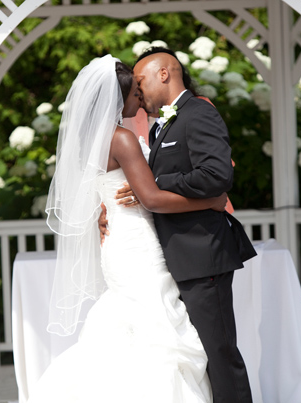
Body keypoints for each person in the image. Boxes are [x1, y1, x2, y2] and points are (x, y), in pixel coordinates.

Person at [30, 55, 228, 402]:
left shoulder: (91, 140)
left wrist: (98, 212)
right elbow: (150, 198)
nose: (140, 98)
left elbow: (99, 190)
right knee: (156, 332)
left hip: (118, 245)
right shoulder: (121, 138)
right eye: (135, 92)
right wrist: (210, 202)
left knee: (131, 330)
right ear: (118, 98)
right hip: (137, 245)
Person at [100, 47, 256, 403]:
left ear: (165, 74)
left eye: (140, 82)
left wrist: (152, 190)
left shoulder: (198, 112)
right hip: (173, 256)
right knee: (195, 355)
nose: (138, 93)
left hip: (202, 253)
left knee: (219, 354)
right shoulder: (162, 124)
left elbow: (217, 174)